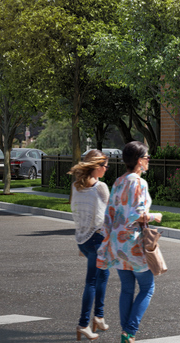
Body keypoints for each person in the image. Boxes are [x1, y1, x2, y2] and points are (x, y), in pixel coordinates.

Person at [101, 142, 161, 343]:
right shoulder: (139, 183)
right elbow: (138, 215)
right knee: (147, 288)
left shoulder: (118, 181)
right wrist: (156, 216)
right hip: (133, 243)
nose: (148, 160)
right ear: (139, 160)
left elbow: (109, 214)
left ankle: (125, 332)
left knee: (127, 289)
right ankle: (130, 331)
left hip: (117, 243)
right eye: (146, 156)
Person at [71, 150, 110, 341]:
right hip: (97, 239)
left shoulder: (76, 187)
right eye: (104, 166)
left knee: (103, 275)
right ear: (95, 166)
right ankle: (84, 324)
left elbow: (77, 213)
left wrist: (82, 239)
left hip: (83, 239)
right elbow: (108, 214)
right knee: (92, 282)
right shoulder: (100, 187)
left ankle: (99, 317)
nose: (106, 169)